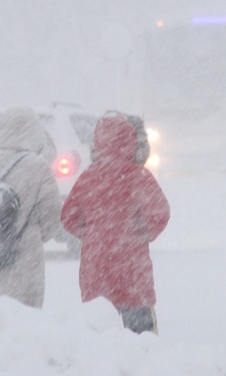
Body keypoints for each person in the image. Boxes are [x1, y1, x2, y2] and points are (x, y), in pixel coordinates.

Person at [60, 112, 170, 333]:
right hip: (132, 272)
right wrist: (140, 233)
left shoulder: (88, 177)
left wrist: (94, 234)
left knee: (102, 339)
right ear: (130, 139)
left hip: (96, 271)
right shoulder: (138, 176)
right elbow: (159, 214)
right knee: (141, 341)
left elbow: (68, 217)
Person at [0, 107, 62, 309]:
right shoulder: (38, 166)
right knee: (22, 328)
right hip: (24, 266)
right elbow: (52, 219)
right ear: (35, 132)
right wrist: (29, 235)